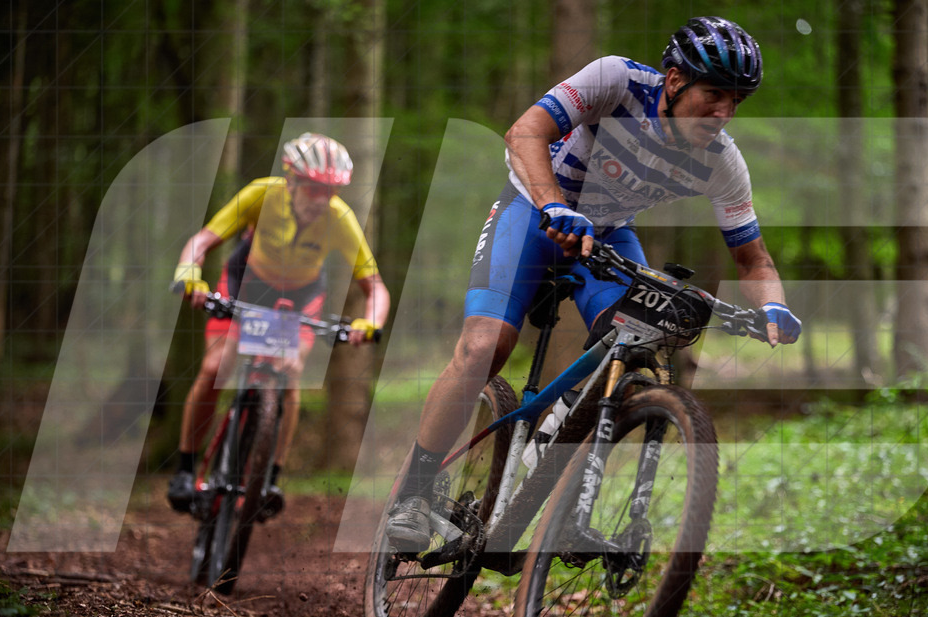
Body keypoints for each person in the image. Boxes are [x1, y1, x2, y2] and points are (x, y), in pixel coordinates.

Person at [384, 17, 801, 550]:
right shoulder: (615, 81)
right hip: (531, 212)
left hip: (605, 237)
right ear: (674, 81)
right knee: (486, 345)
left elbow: (753, 260)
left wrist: (774, 309)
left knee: (640, 342)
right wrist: (553, 202)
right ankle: (414, 493)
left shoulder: (722, 162)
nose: (724, 112)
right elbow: (525, 132)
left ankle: (554, 461)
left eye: (736, 99)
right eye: (714, 94)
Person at [168, 132, 391, 516]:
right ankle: (185, 470)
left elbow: (375, 287)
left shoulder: (341, 219)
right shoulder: (261, 195)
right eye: (313, 188)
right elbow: (202, 241)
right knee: (213, 368)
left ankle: (268, 479)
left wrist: (369, 323)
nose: (321, 200)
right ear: (291, 179)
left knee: (290, 377)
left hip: (300, 298)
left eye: (330, 191)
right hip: (245, 284)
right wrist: (190, 275)